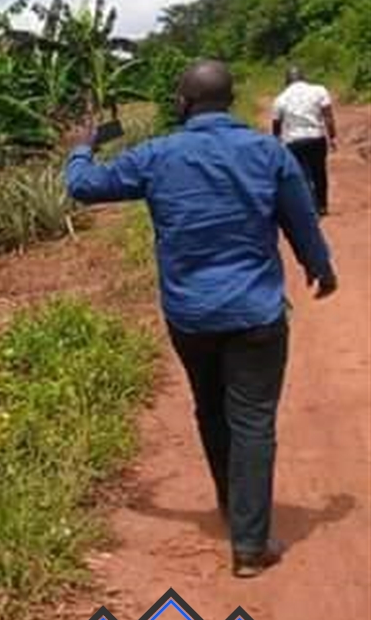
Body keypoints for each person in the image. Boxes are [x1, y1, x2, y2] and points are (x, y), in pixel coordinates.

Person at [64, 60, 337, 578]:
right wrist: (321, 270)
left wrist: (83, 145)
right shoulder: (266, 152)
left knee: (211, 410)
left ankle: (233, 509)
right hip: (257, 313)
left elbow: (84, 186)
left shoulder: (157, 155)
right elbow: (300, 218)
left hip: (191, 316)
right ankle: (250, 543)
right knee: (253, 420)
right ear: (231, 100)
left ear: (182, 103)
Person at [272, 66, 337, 216]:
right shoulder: (319, 90)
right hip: (316, 138)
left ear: (287, 81)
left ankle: (306, 206)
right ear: (303, 77)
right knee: (319, 171)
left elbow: (276, 124)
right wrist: (332, 137)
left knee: (300, 174)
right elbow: (328, 116)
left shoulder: (280, 98)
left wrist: (277, 142)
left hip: (293, 141)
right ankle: (322, 205)